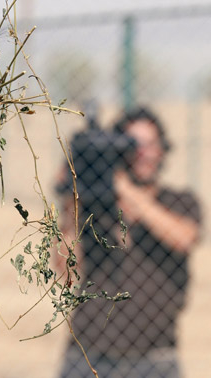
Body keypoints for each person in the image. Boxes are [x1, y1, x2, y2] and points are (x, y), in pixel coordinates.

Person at [56, 107, 202, 378]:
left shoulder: (179, 202)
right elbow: (65, 272)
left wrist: (122, 188)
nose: (142, 153)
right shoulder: (94, 210)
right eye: (133, 145)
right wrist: (71, 206)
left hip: (156, 358)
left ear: (163, 149)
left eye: (150, 144)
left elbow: (184, 238)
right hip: (89, 355)